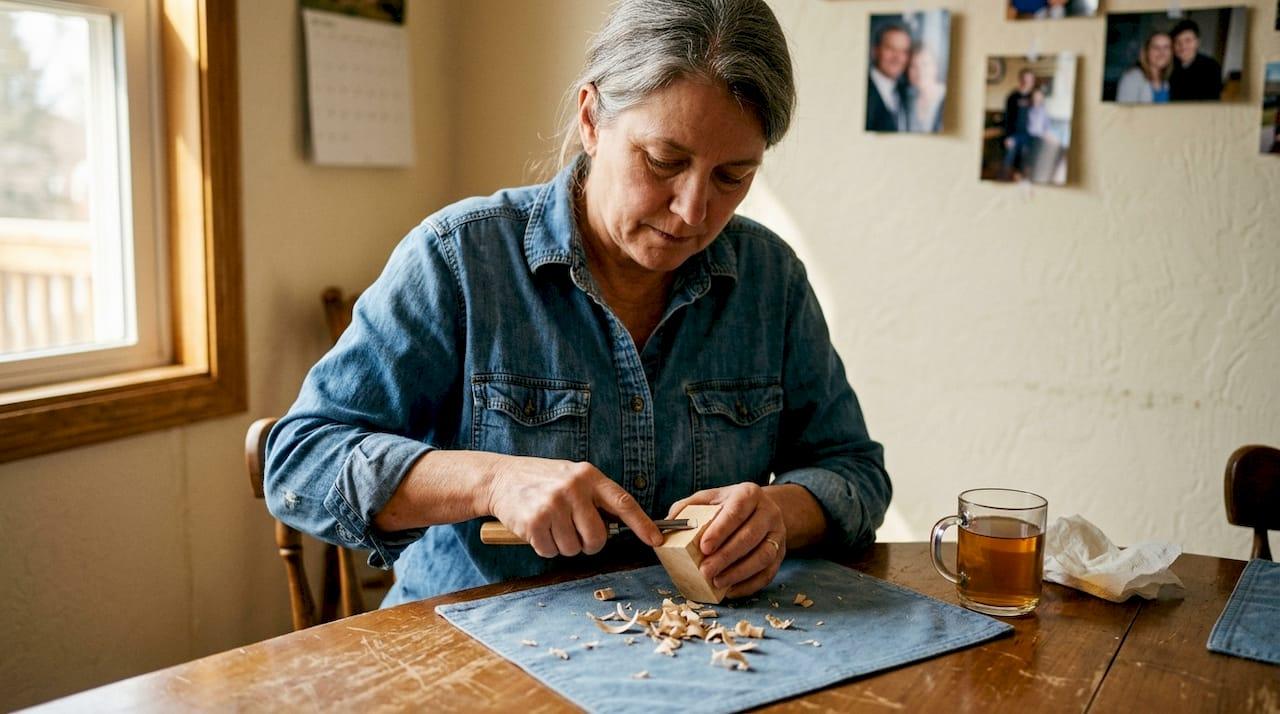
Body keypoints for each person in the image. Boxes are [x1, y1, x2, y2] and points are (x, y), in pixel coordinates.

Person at [266, 0, 892, 608]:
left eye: (733, 176)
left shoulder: (771, 280)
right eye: (664, 161)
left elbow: (855, 471)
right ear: (592, 119)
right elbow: (298, 463)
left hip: (701, 654)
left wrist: (782, 515)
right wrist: (493, 480)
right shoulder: (458, 260)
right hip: (471, 650)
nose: (694, 211)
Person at [866, 22, 911, 132]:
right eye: (891, 49)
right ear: (875, 51)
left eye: (903, 51)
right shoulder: (863, 88)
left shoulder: (906, 92)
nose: (897, 57)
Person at [1168, 19, 1222, 101]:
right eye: (1177, 42)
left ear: (1197, 42)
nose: (1183, 46)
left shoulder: (1211, 67)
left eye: (1188, 40)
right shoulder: (1169, 65)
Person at [1115, 31, 1172, 104]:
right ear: (1146, 51)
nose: (1162, 52)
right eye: (1156, 47)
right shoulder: (1132, 78)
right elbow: (1124, 113)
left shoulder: (1166, 80)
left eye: (1166, 47)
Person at [1002, 69, 1037, 180]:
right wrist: (1008, 137)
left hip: (1029, 136)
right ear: (1020, 80)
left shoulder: (1035, 97)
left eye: (1030, 80)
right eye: (1025, 79)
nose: (1028, 82)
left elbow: (1040, 116)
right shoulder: (1012, 97)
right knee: (1008, 163)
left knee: (1026, 166)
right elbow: (1007, 118)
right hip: (1014, 135)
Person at [906, 45, 946, 133]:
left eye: (925, 64)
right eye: (913, 66)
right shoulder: (907, 99)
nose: (920, 70)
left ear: (935, 67)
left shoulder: (948, 97)